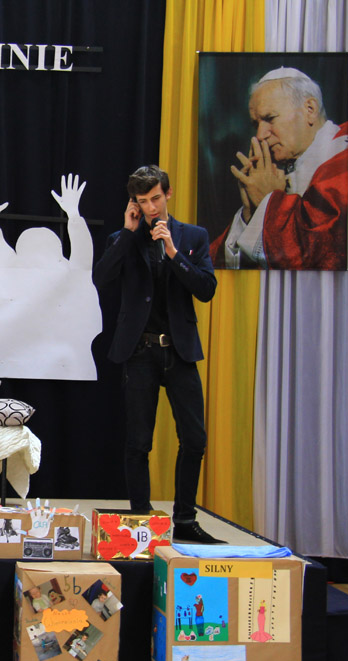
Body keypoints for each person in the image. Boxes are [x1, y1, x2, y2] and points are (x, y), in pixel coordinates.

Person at [93, 165, 224, 544]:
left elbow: (206, 289)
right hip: (140, 351)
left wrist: (173, 252)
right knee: (139, 442)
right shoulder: (124, 238)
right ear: (133, 203)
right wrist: (128, 232)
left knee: (195, 439)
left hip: (180, 350)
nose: (151, 208)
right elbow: (101, 278)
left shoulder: (193, 236)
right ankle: (142, 520)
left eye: (155, 199)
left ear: (167, 194)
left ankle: (184, 519)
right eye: (142, 201)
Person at [210, 67, 348, 270]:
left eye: (270, 118)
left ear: (310, 110)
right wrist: (252, 213)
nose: (260, 135)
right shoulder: (286, 168)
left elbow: (322, 254)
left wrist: (269, 201)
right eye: (256, 124)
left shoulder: (346, 160)